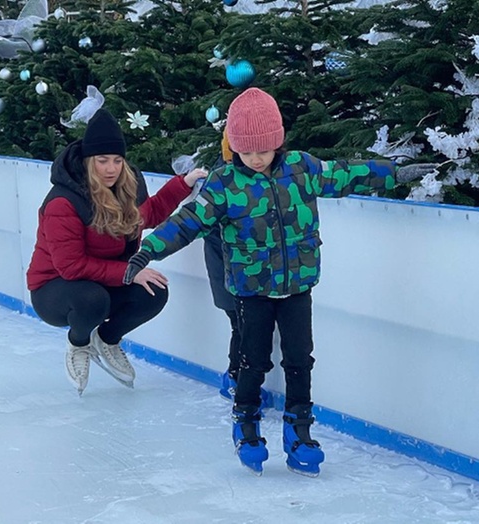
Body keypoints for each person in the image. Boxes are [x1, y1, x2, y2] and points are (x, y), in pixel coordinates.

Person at [124, 87, 422, 476]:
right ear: (235, 148)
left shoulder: (302, 169)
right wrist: (148, 251)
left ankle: (299, 432)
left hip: (298, 285)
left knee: (300, 359)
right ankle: (246, 423)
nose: (256, 158)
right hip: (252, 290)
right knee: (254, 360)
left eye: (262, 149)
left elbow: (345, 174)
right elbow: (188, 222)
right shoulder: (224, 183)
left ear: (277, 142)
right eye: (247, 151)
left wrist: (394, 174)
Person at [26, 108, 207, 396]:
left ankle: (107, 340)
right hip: (55, 289)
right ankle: (79, 342)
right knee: (92, 300)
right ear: (88, 161)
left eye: (117, 160)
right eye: (102, 161)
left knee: (154, 291)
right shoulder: (65, 202)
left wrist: (183, 184)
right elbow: (71, 267)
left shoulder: (127, 186)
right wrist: (129, 272)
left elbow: (149, 214)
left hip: (104, 280)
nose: (111, 168)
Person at [201, 131, 272, 409]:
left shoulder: (237, 175)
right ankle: (235, 379)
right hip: (229, 274)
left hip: (238, 273)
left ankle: (236, 379)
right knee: (242, 327)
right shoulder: (224, 180)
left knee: (244, 327)